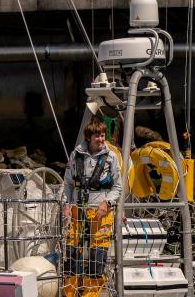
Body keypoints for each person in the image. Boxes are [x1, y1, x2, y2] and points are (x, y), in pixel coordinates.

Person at [61, 119, 121, 297]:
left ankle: (91, 294)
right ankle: (70, 292)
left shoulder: (111, 157)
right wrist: (66, 204)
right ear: (88, 137)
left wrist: (107, 203)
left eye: (102, 135)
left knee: (97, 255)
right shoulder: (76, 154)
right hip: (77, 211)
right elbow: (68, 183)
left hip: (100, 213)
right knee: (71, 252)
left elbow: (118, 187)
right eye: (97, 136)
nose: (101, 139)